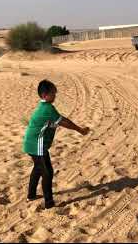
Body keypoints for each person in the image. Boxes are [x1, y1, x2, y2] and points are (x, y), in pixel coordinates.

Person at [22, 79, 90, 209]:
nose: (55, 96)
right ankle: (49, 203)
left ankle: (31, 195)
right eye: (53, 93)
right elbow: (63, 121)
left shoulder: (45, 107)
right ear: (44, 95)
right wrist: (79, 129)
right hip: (37, 145)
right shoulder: (47, 108)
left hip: (31, 143)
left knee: (38, 168)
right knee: (47, 172)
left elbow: (60, 119)